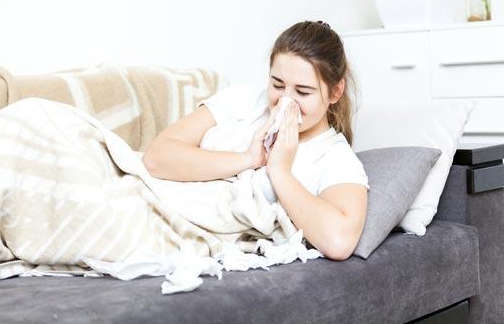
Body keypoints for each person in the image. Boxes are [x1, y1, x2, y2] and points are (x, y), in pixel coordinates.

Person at [142, 20, 370, 261]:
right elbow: (156, 159)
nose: (286, 100)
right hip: (155, 203)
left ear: (335, 92)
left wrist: (280, 171)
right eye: (277, 85)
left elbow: (339, 242)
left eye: (303, 92)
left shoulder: (336, 159)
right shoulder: (241, 100)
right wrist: (248, 159)